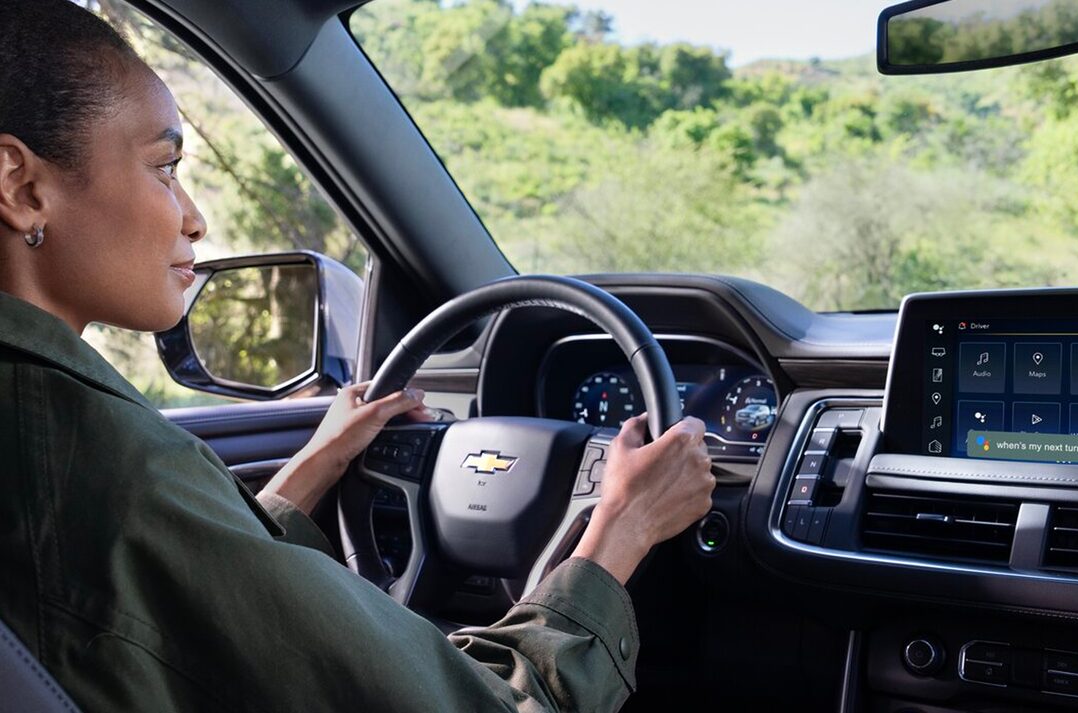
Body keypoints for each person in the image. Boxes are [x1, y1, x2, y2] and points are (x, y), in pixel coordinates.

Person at [0, 1, 716, 710]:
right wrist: (622, 525)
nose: (194, 215)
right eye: (165, 167)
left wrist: (318, 463)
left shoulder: (61, 452)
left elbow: (178, 591)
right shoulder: (111, 468)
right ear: (21, 186)